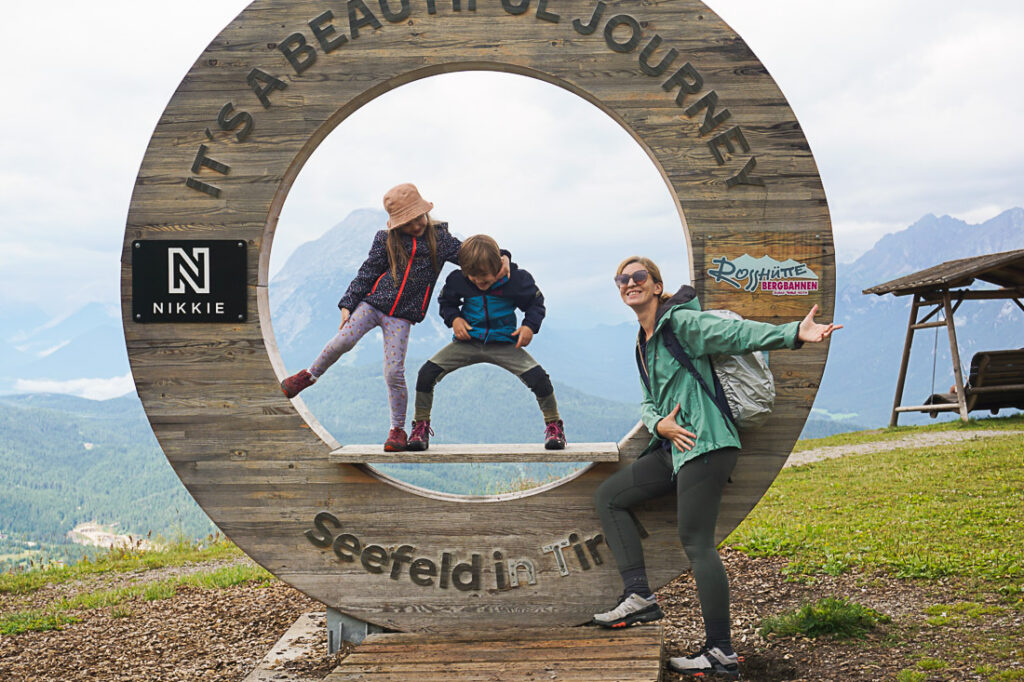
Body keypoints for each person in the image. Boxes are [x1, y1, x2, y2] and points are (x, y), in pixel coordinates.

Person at [591, 256, 841, 678]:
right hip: (675, 445)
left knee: (698, 544)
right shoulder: (644, 340)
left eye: (638, 277)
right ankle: (640, 598)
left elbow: (735, 333)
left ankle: (720, 652)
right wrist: (660, 425)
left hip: (707, 444)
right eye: (622, 279)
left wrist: (793, 334)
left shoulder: (682, 325)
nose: (629, 283)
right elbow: (648, 402)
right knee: (610, 498)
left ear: (656, 286)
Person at [279, 183, 507, 452]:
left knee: (394, 371)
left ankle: (397, 430)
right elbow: (369, 271)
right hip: (372, 304)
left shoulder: (440, 240)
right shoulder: (385, 240)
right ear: (397, 225)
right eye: (408, 223)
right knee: (342, 342)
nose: (416, 226)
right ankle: (308, 376)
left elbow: (472, 255)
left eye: (418, 218)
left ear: (425, 212)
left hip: (401, 317)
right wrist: (348, 303)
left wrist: (502, 258)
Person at [408, 234, 566, 451]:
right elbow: (446, 302)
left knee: (539, 379)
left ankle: (554, 426)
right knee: (426, 373)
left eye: (484, 279)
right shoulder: (458, 280)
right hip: (468, 342)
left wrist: (529, 326)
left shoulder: (517, 280)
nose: (478, 283)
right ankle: (420, 427)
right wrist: (455, 319)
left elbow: (536, 303)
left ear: (499, 267)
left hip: (505, 343)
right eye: (472, 278)